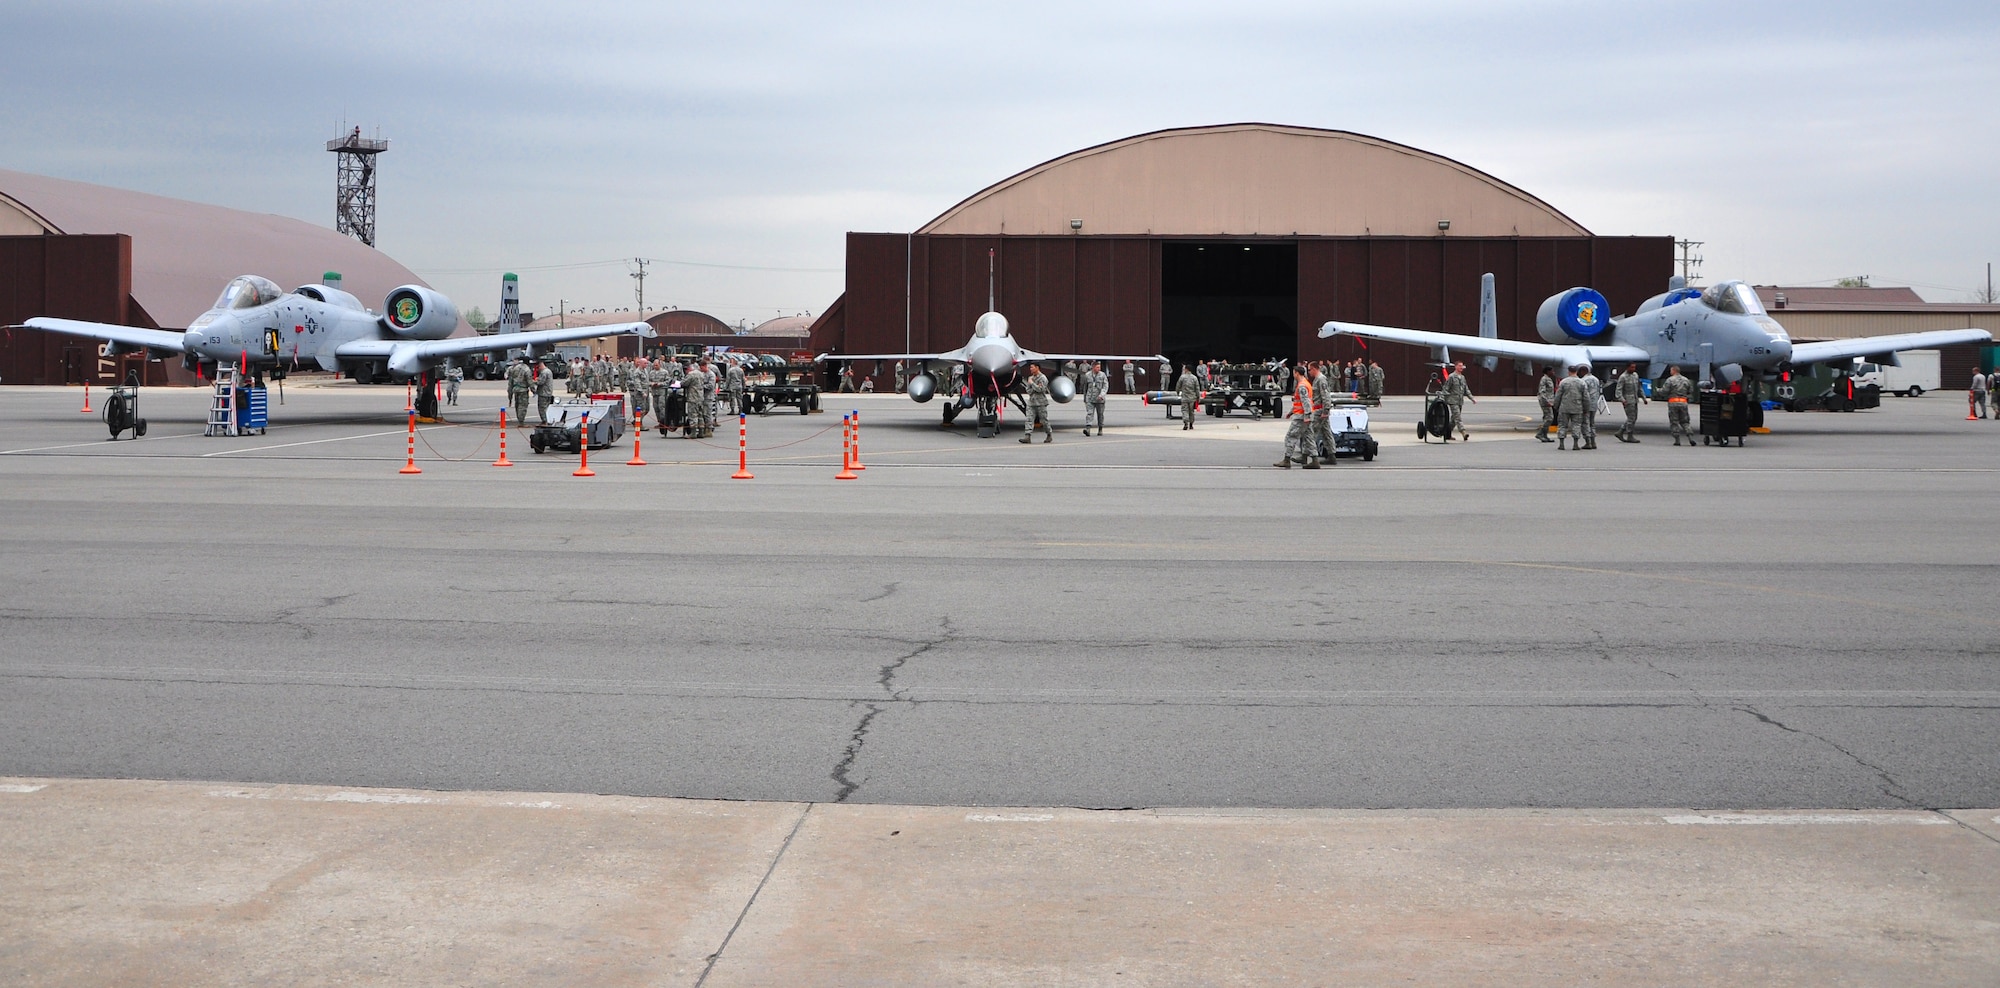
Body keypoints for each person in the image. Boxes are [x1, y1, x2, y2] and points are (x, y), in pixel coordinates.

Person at [1275, 366, 1321, 469]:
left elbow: (1306, 402)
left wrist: (1307, 415)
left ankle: (1287, 459)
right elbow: (1301, 401)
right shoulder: (1306, 384)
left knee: (1290, 437)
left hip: (1301, 417)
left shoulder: (1302, 386)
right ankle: (1315, 460)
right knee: (1309, 438)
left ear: (1296, 373)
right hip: (1304, 415)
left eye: (1294, 373)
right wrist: (1291, 412)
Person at [1657, 365, 1695, 446]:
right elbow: (1691, 390)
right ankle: (1690, 437)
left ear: (1673, 371)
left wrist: (1658, 390)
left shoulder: (1670, 380)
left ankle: (1677, 440)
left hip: (1673, 403)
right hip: (1683, 403)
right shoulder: (1686, 380)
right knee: (1685, 422)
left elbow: (1665, 391)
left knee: (1674, 422)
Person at [1019, 363, 1053, 443]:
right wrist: (1034, 386)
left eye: (1032, 367)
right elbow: (1028, 390)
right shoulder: (1031, 378)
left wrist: (1032, 384)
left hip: (1041, 402)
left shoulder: (1043, 378)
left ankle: (1049, 434)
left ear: (1037, 368)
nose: (1030, 369)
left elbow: (1041, 389)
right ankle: (1027, 436)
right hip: (1031, 402)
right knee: (1029, 419)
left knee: (1044, 420)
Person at [1555, 364, 1586, 450]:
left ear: (1568, 371)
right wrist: (1586, 408)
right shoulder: (1582, 382)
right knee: (1576, 425)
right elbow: (1586, 397)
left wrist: (1556, 406)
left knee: (1562, 425)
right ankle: (1575, 444)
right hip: (1577, 407)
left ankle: (1561, 444)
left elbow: (1558, 395)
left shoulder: (1563, 382)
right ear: (1576, 371)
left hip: (1564, 407)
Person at [1311, 361, 1336, 459]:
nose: (1309, 372)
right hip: (1320, 410)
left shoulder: (1321, 379)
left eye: (1310, 370)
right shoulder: (1317, 379)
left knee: (1311, 433)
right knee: (1326, 433)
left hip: (1320, 411)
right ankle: (1331, 455)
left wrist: (1326, 411)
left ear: (1314, 369)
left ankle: (1309, 456)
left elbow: (1325, 396)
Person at [1616, 363, 1647, 443]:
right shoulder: (1623, 377)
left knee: (1634, 418)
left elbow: (1639, 387)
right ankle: (1629, 435)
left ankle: (1621, 431)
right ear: (1627, 367)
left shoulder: (1635, 375)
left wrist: (1644, 398)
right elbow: (1618, 390)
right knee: (1631, 418)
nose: (1633, 369)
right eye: (1632, 367)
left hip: (1635, 399)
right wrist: (1622, 400)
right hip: (1628, 400)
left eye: (1634, 367)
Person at [1444, 361, 1474, 440]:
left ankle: (1447, 433)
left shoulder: (1462, 378)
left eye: (1462, 366)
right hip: (1452, 401)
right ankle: (1463, 432)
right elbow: (1446, 388)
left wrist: (1471, 398)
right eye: (1460, 366)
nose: (1461, 367)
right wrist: (1444, 398)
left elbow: (1466, 389)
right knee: (1458, 417)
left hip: (1460, 401)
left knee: (1454, 419)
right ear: (1456, 367)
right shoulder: (1451, 377)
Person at [1082, 361, 1109, 436]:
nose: (1099, 369)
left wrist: (1102, 395)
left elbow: (1105, 386)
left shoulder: (1102, 375)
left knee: (1100, 414)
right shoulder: (1087, 375)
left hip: (1099, 399)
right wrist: (1085, 398)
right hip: (1090, 398)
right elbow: (1085, 387)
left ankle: (1100, 428)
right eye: (1097, 367)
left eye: (1099, 367)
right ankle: (1088, 428)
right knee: (1089, 413)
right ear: (1093, 367)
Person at [1579, 363, 1603, 449]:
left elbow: (1583, 394)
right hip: (1594, 403)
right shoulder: (1596, 379)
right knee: (1592, 423)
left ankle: (1587, 442)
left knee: (1585, 423)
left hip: (1586, 404)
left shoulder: (1583, 380)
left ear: (1583, 371)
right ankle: (1593, 442)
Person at [505, 355, 532, 427]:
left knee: (517, 405)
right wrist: (533, 390)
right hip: (523, 389)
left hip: (515, 389)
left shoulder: (515, 368)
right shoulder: (527, 369)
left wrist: (510, 394)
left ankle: (519, 419)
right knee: (523, 406)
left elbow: (511, 380)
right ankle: (521, 422)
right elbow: (529, 381)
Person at [1175, 364, 1201, 429]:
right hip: (1192, 397)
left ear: (1186, 369)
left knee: (1184, 410)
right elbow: (1197, 388)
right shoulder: (1194, 378)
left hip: (1185, 397)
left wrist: (1177, 392)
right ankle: (1191, 424)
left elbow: (1178, 386)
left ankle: (1186, 423)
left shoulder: (1182, 377)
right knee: (1191, 411)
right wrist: (1198, 397)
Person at [1535, 366, 1557, 442]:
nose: (1553, 372)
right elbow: (1542, 391)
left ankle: (1545, 435)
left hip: (1549, 401)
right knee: (1549, 418)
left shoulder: (1549, 379)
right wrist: (1546, 401)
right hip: (1546, 402)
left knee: (1547, 418)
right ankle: (1540, 434)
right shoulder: (1544, 379)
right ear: (1548, 371)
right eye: (1552, 371)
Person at [533, 359, 555, 424]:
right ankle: (548, 420)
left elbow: (540, 382)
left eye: (538, 368)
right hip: (548, 392)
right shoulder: (548, 371)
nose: (538, 370)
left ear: (540, 366)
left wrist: (533, 381)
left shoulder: (544, 372)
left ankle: (545, 420)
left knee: (542, 408)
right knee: (547, 408)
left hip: (543, 393)